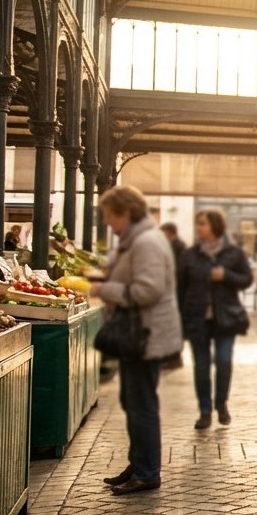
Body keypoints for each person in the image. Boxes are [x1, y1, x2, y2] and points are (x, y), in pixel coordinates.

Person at [91, 186, 182, 496]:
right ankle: (139, 464)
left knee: (141, 404)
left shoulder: (146, 243)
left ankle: (147, 472)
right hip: (138, 335)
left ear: (126, 213)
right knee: (133, 402)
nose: (107, 222)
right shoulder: (136, 241)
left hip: (145, 335)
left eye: (109, 216)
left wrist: (103, 290)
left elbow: (147, 290)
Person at [177, 209, 253, 429]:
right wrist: (180, 319)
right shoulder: (190, 255)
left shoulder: (234, 253)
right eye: (198, 223)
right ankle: (205, 411)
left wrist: (225, 276)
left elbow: (247, 279)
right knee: (201, 366)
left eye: (203, 223)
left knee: (223, 361)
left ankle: (221, 404)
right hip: (197, 318)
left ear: (215, 226)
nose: (199, 227)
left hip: (225, 318)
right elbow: (180, 288)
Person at [159, 222, 188, 370]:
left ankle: (174, 358)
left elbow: (178, 273)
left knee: (175, 327)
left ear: (171, 234)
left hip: (177, 294)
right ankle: (171, 357)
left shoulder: (178, 249)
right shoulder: (172, 247)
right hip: (174, 293)